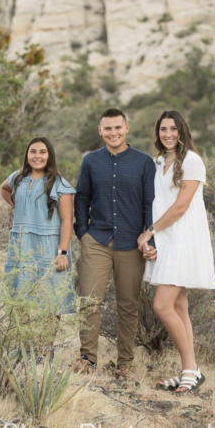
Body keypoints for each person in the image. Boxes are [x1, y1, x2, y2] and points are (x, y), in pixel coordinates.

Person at [136, 110, 215, 394]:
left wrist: (149, 232)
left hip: (184, 241)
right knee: (179, 307)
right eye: (163, 129)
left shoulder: (192, 161)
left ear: (182, 131)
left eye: (173, 129)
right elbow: (156, 203)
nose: (168, 134)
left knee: (162, 306)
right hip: (165, 241)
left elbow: (181, 207)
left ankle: (190, 370)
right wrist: (152, 241)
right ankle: (191, 369)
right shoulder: (158, 163)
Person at [73, 108, 157, 377]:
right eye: (107, 128)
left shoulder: (144, 163)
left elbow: (149, 203)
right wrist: (83, 233)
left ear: (127, 128)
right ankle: (88, 359)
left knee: (128, 305)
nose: (113, 133)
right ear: (100, 131)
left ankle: (125, 363)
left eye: (117, 128)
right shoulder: (90, 161)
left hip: (131, 243)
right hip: (96, 240)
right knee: (89, 301)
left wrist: (148, 236)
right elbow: (81, 198)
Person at [0, 137, 76, 352]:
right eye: (33, 151)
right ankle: (24, 345)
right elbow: (4, 189)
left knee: (50, 297)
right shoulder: (17, 178)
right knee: (19, 293)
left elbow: (67, 221)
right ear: (27, 155)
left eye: (42, 152)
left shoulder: (60, 184)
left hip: (49, 245)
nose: (37, 156)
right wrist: (21, 205)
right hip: (21, 242)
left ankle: (45, 349)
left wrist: (62, 253)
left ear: (49, 156)